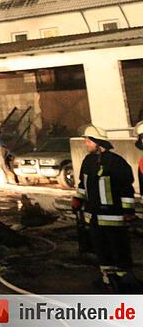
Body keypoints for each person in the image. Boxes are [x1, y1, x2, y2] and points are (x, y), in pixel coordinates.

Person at [73, 125, 141, 292]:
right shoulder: (87, 162)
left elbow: (126, 189)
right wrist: (78, 199)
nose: (86, 144)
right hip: (94, 217)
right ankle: (107, 278)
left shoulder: (117, 163)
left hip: (114, 217)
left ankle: (125, 279)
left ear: (98, 142)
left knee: (119, 247)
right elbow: (84, 185)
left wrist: (128, 212)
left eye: (88, 141)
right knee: (100, 249)